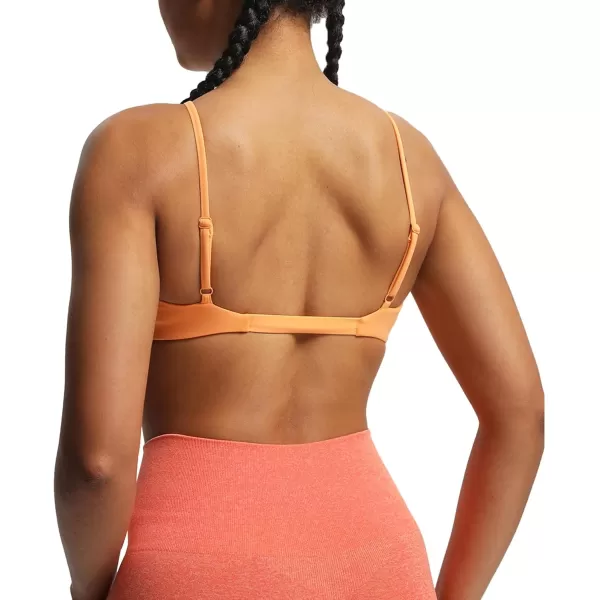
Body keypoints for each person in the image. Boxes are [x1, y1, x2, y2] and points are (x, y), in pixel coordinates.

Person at [54, 1, 544, 599]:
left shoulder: (136, 150)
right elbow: (520, 415)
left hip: (190, 572)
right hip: (380, 567)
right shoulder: (408, 159)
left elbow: (96, 464)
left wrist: (91, 590)